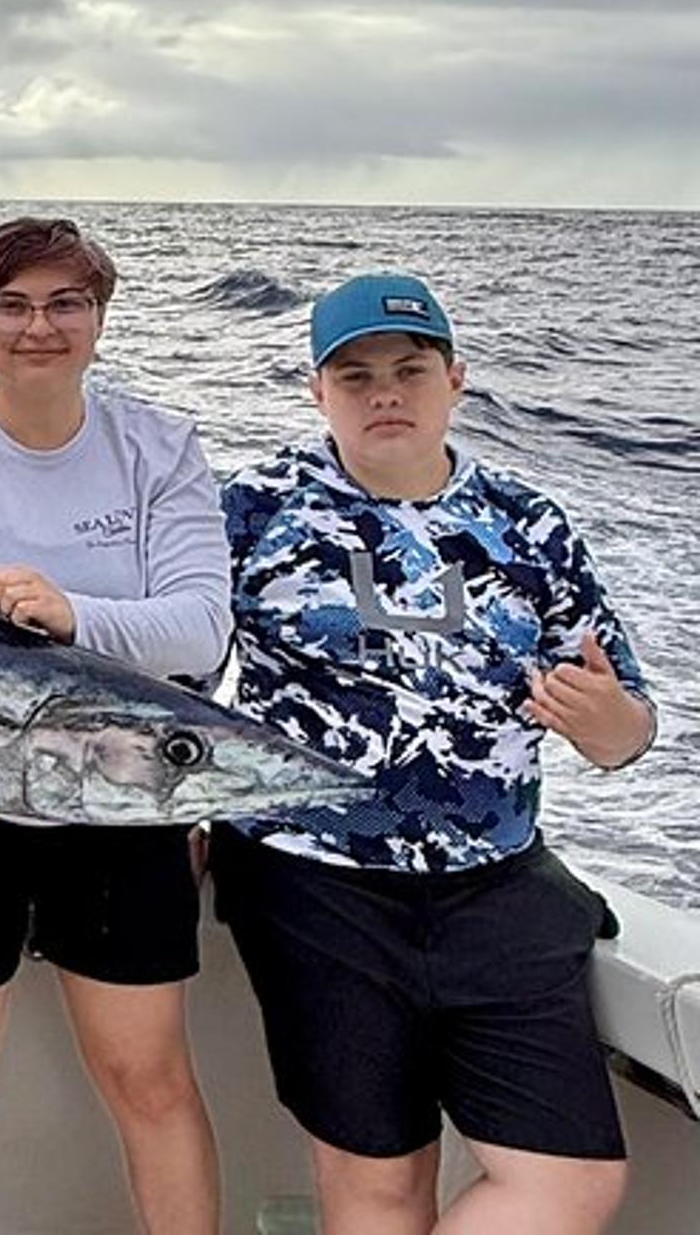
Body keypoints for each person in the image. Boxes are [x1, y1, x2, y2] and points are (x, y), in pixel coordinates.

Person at [211, 273, 653, 1235]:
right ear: (316, 391)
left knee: (572, 1181)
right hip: (312, 885)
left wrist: (603, 717)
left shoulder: (529, 523)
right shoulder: (250, 509)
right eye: (355, 375)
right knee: (379, 1188)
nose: (385, 394)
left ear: (455, 379)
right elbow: (175, 670)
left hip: (499, 886)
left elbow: (627, 734)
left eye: (409, 370)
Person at [0, 218, 231, 1234]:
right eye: (12, 305)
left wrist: (72, 616)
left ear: (99, 319)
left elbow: (202, 623)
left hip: (127, 802)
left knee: (148, 1078)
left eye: (65, 304)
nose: (39, 327)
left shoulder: (159, 448)